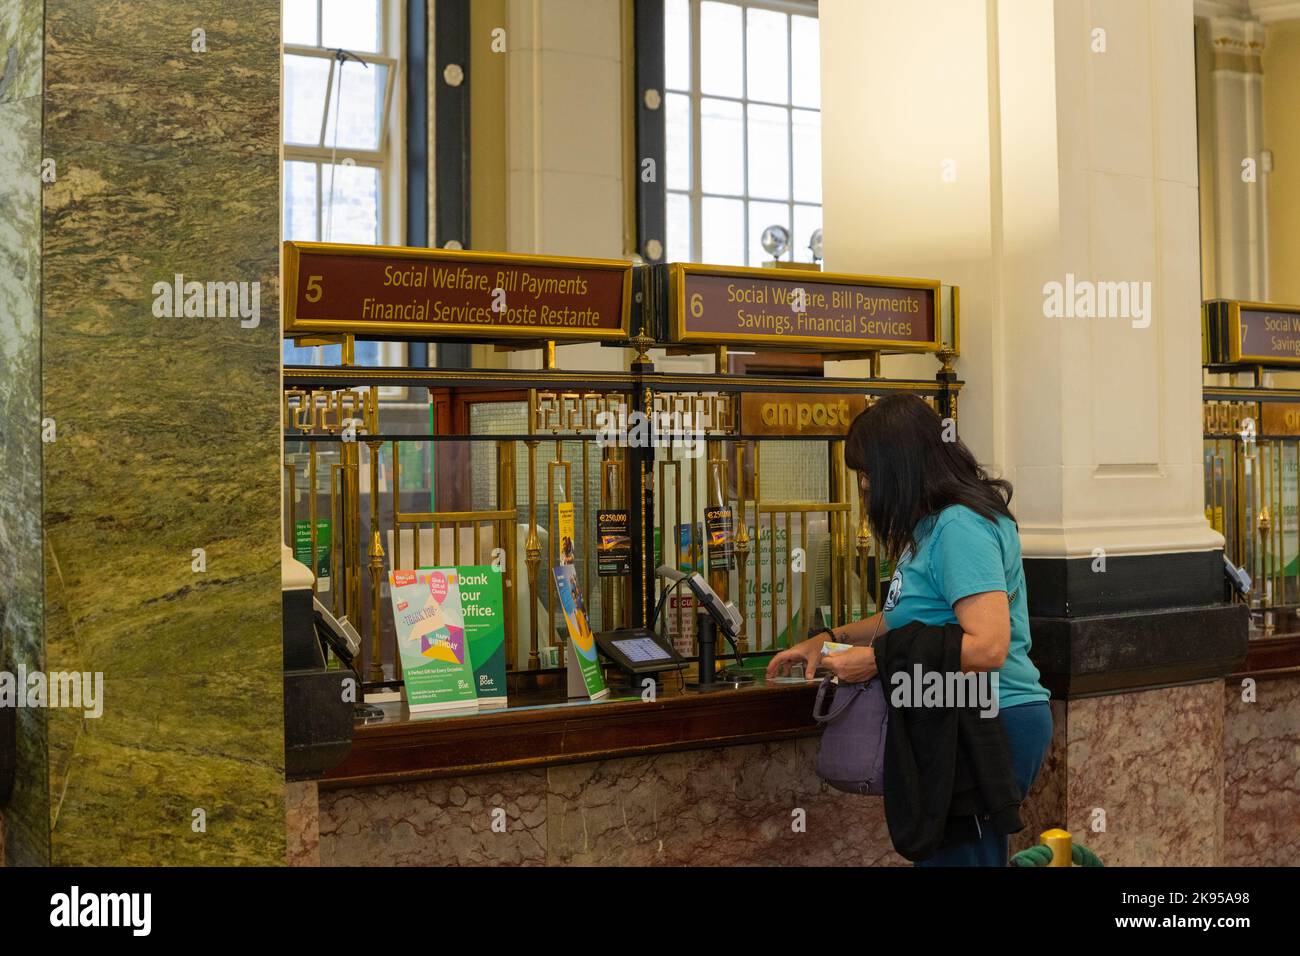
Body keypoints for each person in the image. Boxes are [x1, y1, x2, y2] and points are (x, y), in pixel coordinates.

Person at [766, 394, 1052, 866]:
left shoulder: (959, 527)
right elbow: (911, 621)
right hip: (954, 718)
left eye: (868, 472)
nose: (863, 486)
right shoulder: (931, 526)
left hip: (989, 721)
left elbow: (988, 646)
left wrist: (876, 659)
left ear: (898, 467)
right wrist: (831, 636)